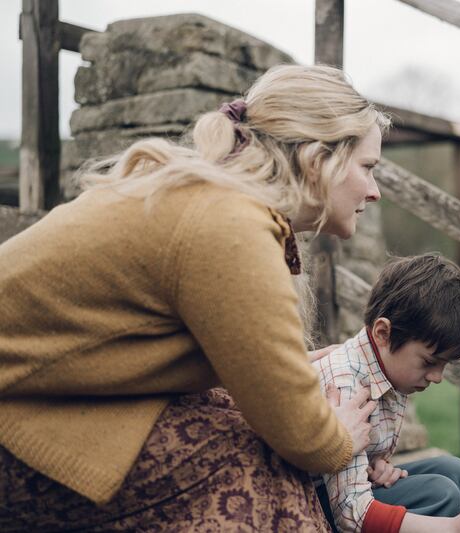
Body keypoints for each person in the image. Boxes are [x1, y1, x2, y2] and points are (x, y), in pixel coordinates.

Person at [0, 64, 391, 531]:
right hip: (17, 421)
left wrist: (287, 374)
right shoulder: (228, 224)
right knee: (249, 460)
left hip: (46, 400)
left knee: (242, 432)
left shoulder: (218, 203)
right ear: (315, 158)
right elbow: (301, 434)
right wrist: (341, 439)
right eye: (367, 167)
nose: (375, 190)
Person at [312, 254, 460, 533]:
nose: (437, 377)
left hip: (343, 492)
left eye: (444, 365)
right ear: (383, 333)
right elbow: (349, 513)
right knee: (440, 494)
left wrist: (375, 466)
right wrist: (452, 527)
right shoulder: (346, 387)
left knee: (456, 472)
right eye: (429, 362)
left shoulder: (384, 366)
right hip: (313, 506)